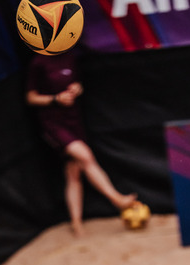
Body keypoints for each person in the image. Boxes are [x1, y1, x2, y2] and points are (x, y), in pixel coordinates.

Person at [25, 50, 138, 235]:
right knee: (85, 156)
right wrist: (55, 99)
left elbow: (77, 83)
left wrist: (77, 88)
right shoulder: (39, 62)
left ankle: (76, 223)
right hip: (53, 123)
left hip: (74, 120)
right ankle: (116, 199)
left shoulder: (70, 57)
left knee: (73, 172)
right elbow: (30, 97)